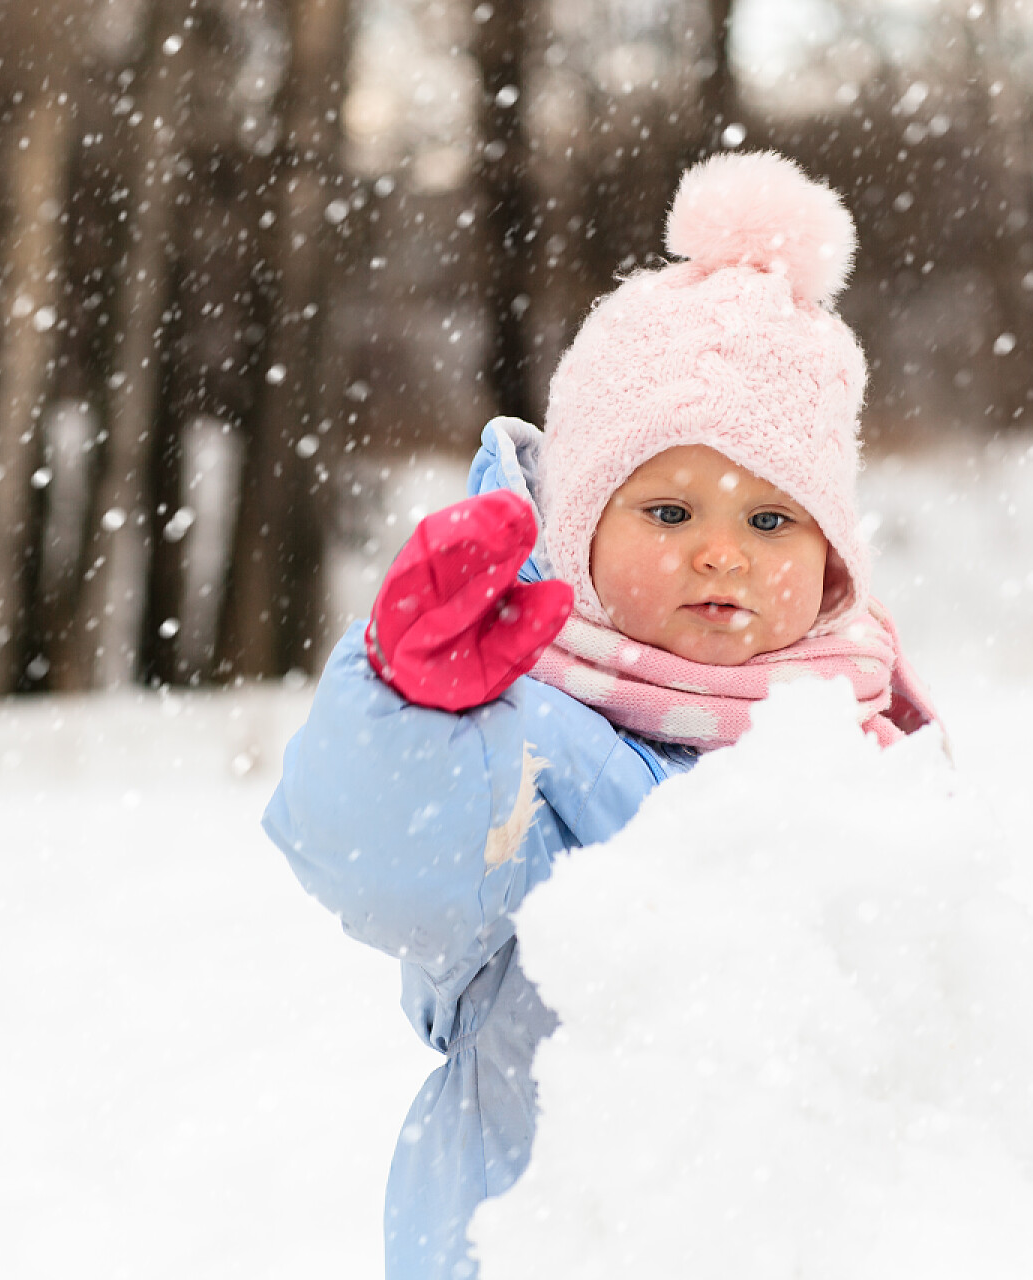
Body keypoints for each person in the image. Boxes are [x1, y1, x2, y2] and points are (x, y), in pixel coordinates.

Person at [263, 151, 938, 1280]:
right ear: (577, 528)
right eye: (669, 507)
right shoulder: (526, 735)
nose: (723, 550)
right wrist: (411, 705)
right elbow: (388, 862)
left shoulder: (866, 744)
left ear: (831, 559)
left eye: (775, 519)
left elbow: (930, 1031)